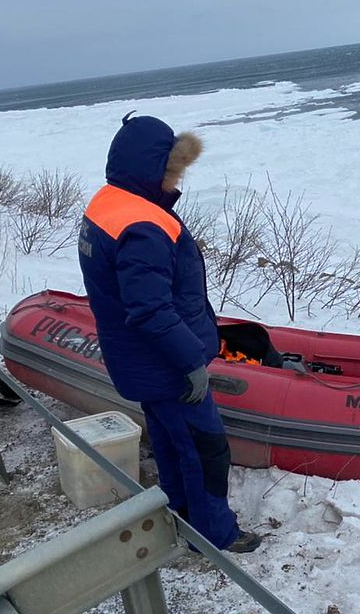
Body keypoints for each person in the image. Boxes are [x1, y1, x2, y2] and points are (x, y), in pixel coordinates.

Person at [78, 112, 261, 554]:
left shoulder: (108, 204)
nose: (176, 180)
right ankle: (215, 535)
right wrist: (189, 363)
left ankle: (180, 514)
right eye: (173, 171)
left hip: (140, 361)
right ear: (156, 167)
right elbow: (150, 309)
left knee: (172, 444)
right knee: (204, 449)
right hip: (165, 365)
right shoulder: (144, 225)